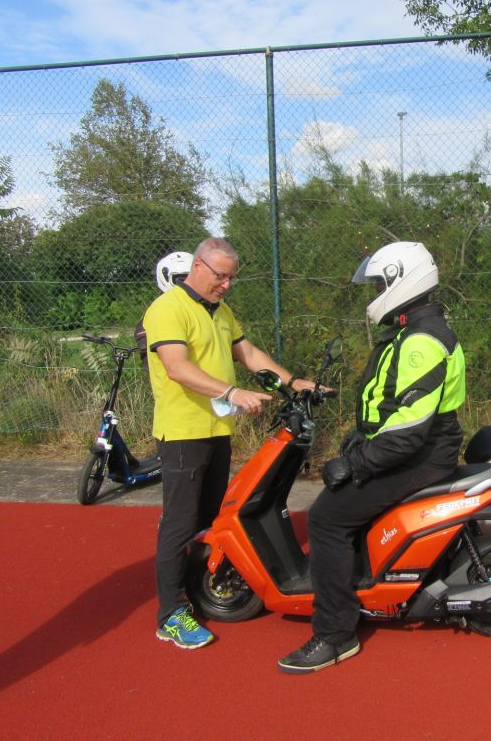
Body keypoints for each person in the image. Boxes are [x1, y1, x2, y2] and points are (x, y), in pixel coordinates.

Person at [277, 241, 466, 674]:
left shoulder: (420, 340)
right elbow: (393, 410)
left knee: (326, 519)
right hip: (419, 447)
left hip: (420, 454)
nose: (374, 291)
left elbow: (407, 435)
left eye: (380, 283)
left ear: (402, 280)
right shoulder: (414, 328)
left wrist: (357, 463)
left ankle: (335, 634)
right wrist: (357, 440)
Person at [144, 237, 316, 649]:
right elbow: (177, 368)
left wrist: (295, 383)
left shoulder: (220, 311)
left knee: (209, 520)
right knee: (180, 523)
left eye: (231, 279)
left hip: (216, 432)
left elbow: (249, 353)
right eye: (221, 276)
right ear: (198, 266)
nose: (226, 285)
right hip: (184, 433)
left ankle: (199, 590)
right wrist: (231, 393)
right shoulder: (167, 308)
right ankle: (170, 614)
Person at [135, 251, 193, 371]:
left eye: (192, 279)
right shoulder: (159, 312)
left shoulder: (204, 307)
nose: (188, 285)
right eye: (182, 280)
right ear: (166, 277)